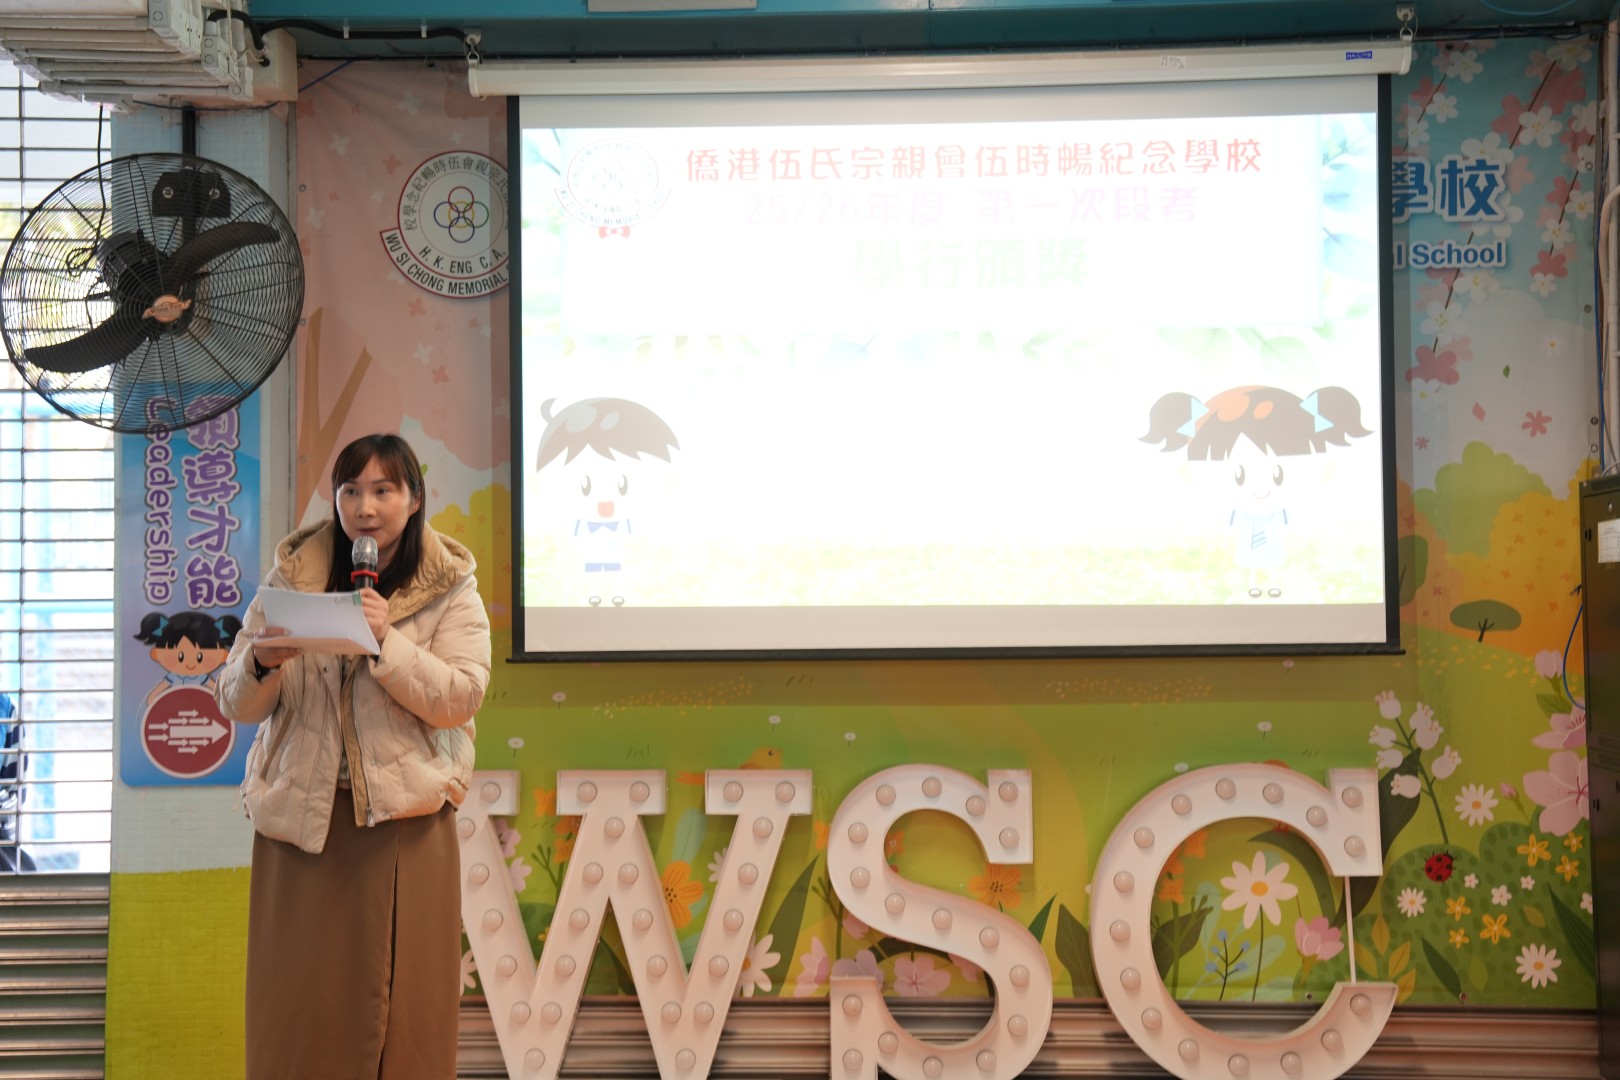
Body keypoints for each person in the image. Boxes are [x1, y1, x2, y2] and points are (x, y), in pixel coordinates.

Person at [214, 433, 491, 1080]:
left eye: (383, 490)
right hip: (301, 826)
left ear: (414, 498)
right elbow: (234, 701)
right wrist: (261, 662)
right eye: (350, 490)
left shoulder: (451, 587)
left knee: (403, 1016)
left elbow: (460, 697)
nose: (365, 507)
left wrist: (385, 642)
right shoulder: (291, 581)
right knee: (296, 1012)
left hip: (403, 827)